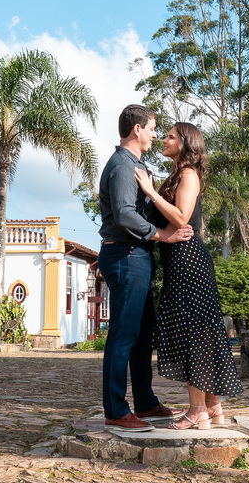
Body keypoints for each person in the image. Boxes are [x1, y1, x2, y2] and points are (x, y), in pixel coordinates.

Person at [134, 122, 242, 430]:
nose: (164, 140)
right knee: (200, 333)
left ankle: (196, 411)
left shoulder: (189, 175)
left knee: (193, 333)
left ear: (185, 143)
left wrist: (151, 192)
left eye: (170, 136)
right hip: (180, 260)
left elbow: (181, 217)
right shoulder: (176, 175)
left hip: (188, 261)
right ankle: (213, 406)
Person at [98, 104, 193, 432]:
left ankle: (147, 404)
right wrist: (163, 235)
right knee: (123, 335)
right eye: (152, 128)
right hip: (125, 256)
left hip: (136, 256)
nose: (155, 133)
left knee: (140, 334)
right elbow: (125, 214)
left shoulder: (135, 165)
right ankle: (115, 410)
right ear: (137, 129)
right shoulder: (124, 167)